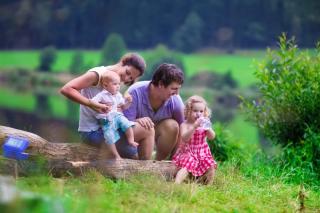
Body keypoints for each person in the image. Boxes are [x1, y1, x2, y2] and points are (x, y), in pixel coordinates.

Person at [60, 53, 154, 160]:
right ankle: (146, 169)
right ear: (122, 62)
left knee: (136, 156)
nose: (126, 78)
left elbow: (117, 112)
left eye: (130, 78)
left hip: (107, 130)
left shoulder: (116, 82)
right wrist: (90, 103)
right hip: (92, 133)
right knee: (148, 130)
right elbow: (66, 89)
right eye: (127, 72)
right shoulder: (97, 75)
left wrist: (136, 119)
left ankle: (145, 170)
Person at [123, 63, 185, 160]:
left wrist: (175, 159)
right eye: (174, 89)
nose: (177, 93)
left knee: (172, 126)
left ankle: (158, 162)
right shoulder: (135, 92)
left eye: (178, 89)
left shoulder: (176, 101)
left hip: (158, 133)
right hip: (133, 138)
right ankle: (138, 158)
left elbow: (183, 130)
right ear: (160, 84)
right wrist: (137, 120)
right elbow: (124, 125)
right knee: (146, 128)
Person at [91, 71, 138, 159]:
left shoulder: (118, 95)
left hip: (117, 116)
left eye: (119, 84)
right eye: (115, 84)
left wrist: (129, 102)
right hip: (106, 120)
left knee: (127, 124)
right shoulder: (101, 95)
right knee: (109, 137)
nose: (118, 86)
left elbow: (124, 107)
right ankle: (116, 155)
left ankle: (131, 140)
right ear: (105, 85)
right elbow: (92, 102)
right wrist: (101, 106)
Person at [172, 95, 217, 184]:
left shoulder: (204, 125)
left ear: (205, 113)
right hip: (188, 151)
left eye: (201, 111)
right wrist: (194, 126)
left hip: (202, 152)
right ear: (188, 111)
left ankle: (208, 185)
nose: (198, 114)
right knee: (187, 165)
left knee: (210, 165)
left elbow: (212, 137)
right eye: (195, 111)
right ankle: (176, 183)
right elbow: (185, 138)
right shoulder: (185, 125)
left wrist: (208, 128)